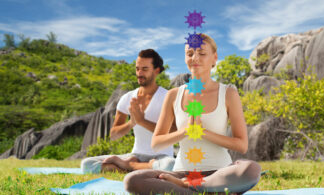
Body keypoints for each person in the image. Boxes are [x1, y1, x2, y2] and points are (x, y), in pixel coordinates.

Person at [123, 34, 261, 194]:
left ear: (214, 58)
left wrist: (203, 133)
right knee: (132, 181)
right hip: (182, 172)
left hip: (220, 173)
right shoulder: (173, 95)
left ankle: (189, 186)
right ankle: (208, 190)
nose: (195, 57)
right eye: (190, 54)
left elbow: (242, 145)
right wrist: (184, 132)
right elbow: (157, 143)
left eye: (202, 53)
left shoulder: (228, 93)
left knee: (251, 169)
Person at [81, 49, 175, 174]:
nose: (139, 73)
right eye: (137, 68)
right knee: (87, 164)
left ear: (157, 70)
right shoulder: (127, 98)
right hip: (136, 155)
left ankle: (128, 166)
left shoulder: (168, 97)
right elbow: (114, 135)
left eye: (145, 69)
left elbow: (175, 131)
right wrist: (132, 123)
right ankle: (136, 166)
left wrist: (142, 121)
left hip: (161, 157)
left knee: (170, 166)